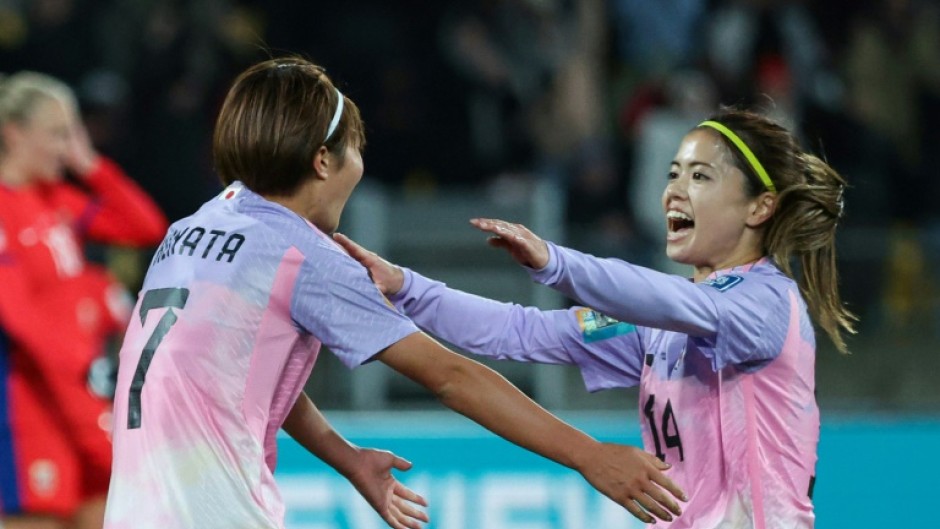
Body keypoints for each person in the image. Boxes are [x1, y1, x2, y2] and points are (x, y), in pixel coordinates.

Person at [101, 56, 686, 529]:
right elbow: (452, 377)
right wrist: (591, 455)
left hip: (135, 509)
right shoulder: (304, 256)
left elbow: (234, 373)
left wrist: (347, 457)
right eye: (356, 150)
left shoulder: (198, 225)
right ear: (324, 160)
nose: (360, 166)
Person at [335, 108, 856, 528]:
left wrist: (558, 263)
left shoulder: (765, 304)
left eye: (700, 177)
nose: (674, 190)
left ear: (759, 208)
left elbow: (678, 302)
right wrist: (406, 287)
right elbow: (521, 330)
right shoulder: (657, 323)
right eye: (673, 173)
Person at [0, 72, 169, 529]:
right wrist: (78, 371)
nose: (66, 146)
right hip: (24, 404)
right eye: (58, 134)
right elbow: (19, 319)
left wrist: (90, 163)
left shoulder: (57, 202)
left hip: (74, 398)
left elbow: (144, 226)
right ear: (15, 133)